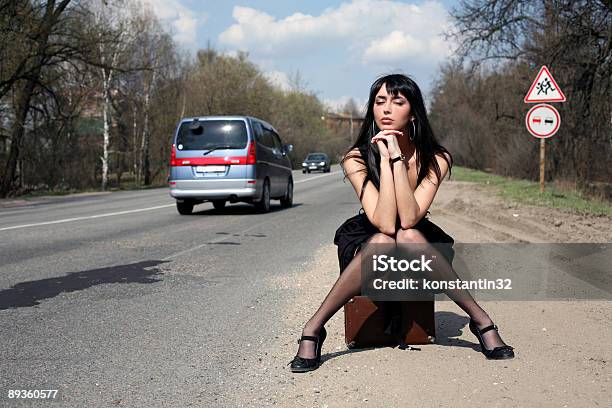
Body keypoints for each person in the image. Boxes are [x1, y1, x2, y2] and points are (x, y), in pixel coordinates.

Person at [288, 74, 515, 373]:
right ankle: (314, 328)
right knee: (385, 240)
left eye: (398, 102)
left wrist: (397, 158)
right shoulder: (355, 158)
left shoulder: (436, 158)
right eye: (379, 102)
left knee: (407, 236)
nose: (386, 109)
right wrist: (383, 159)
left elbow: (408, 219)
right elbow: (384, 222)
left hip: (417, 244)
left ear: (413, 112)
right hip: (371, 243)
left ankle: (481, 321)